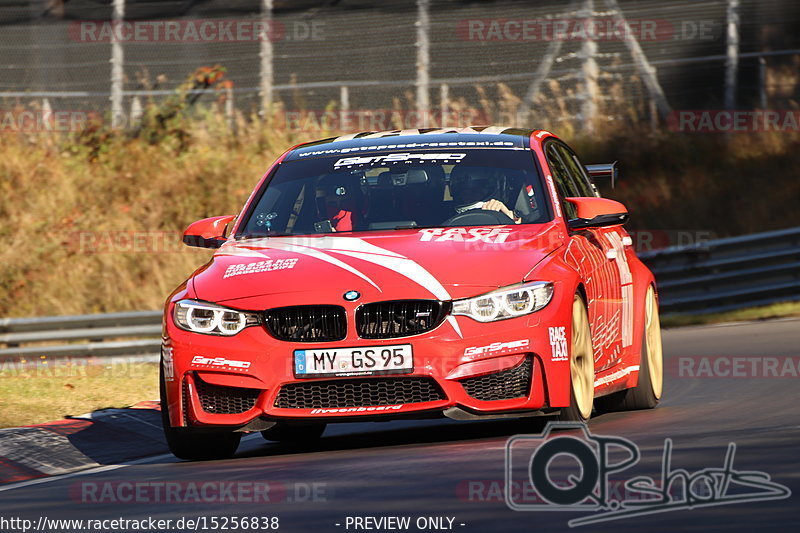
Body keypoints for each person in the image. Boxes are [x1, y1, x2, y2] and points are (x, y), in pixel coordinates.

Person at [448, 166, 521, 223]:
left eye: (476, 190)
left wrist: (511, 219)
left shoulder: (509, 215)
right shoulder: (443, 217)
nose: (467, 195)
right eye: (462, 190)